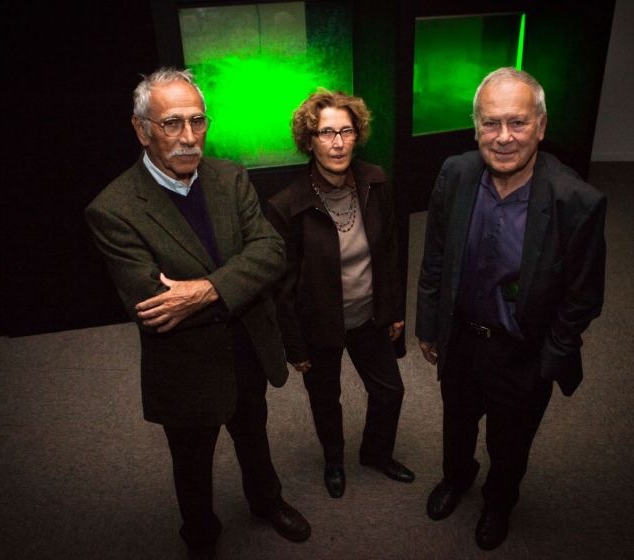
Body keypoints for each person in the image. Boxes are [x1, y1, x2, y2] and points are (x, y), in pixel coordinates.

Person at [85, 68, 310, 558]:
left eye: (198, 121)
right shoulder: (112, 208)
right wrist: (236, 283)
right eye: (171, 124)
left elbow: (271, 251)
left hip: (249, 346)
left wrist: (206, 290)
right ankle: (201, 536)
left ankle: (266, 502)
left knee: (254, 433)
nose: (189, 138)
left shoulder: (230, 175)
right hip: (186, 367)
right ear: (141, 129)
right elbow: (154, 305)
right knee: (192, 462)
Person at [416, 67, 606, 551]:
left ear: (541, 126)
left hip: (522, 352)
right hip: (459, 340)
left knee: (510, 442)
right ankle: (458, 479)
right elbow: (436, 256)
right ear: (475, 126)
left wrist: (548, 360)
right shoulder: (455, 174)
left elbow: (584, 296)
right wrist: (430, 327)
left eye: (517, 123)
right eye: (490, 123)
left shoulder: (576, 200)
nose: (503, 138)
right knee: (456, 424)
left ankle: (499, 502)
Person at [265, 89, 413, 500]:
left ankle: (376, 454)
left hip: (369, 316)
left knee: (390, 391)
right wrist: (295, 346)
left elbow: (390, 254)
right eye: (325, 132)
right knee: (326, 401)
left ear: (357, 135)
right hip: (319, 326)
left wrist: (394, 310)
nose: (337, 142)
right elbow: (283, 285)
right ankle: (334, 460)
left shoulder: (376, 181)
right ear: (308, 141)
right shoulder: (287, 205)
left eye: (346, 131)